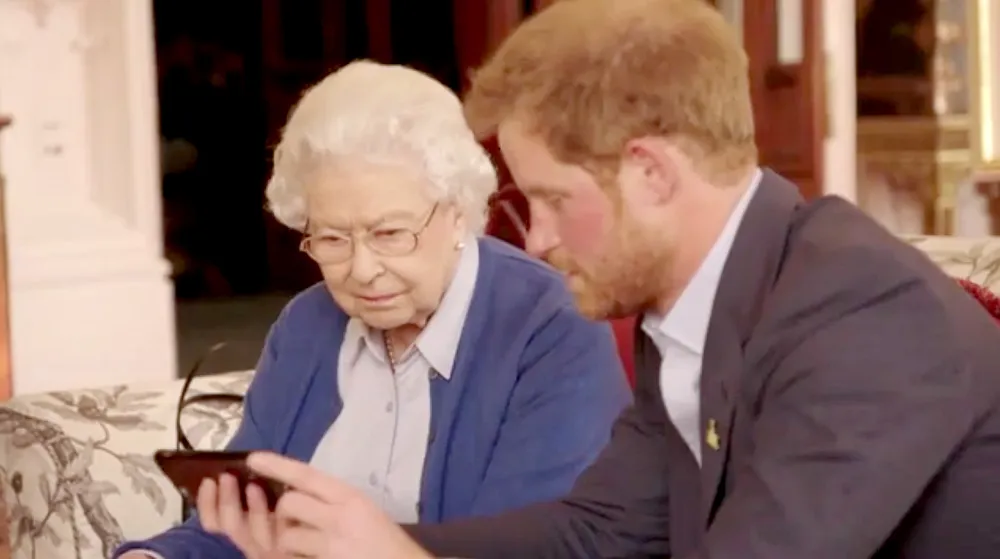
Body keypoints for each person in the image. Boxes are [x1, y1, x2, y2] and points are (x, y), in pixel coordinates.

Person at [239, 0, 1000, 557]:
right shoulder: (695, 307)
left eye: (553, 201)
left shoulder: (865, 317)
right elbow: (595, 532)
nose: (536, 239)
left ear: (651, 173)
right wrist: (369, 541)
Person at [114, 60, 632, 559]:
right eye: (332, 238)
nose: (362, 270)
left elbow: (531, 546)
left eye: (389, 234)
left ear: (458, 212)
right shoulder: (305, 326)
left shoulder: (549, 327)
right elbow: (237, 518)